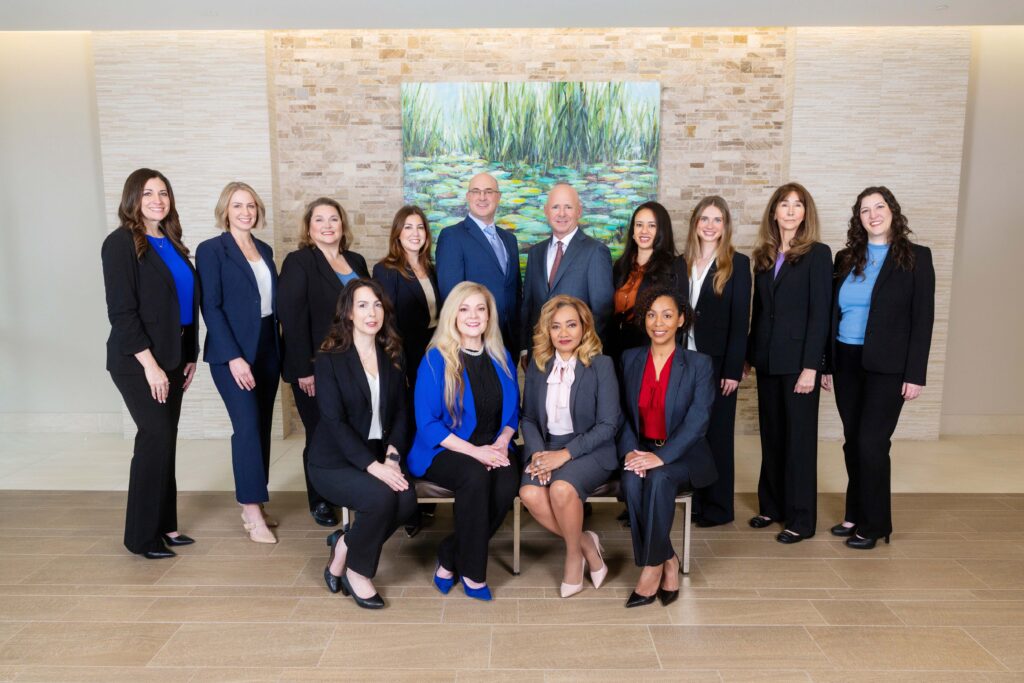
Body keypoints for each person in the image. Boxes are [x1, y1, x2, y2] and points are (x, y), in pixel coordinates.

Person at [822, 186, 935, 549]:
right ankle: (855, 512)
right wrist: (826, 363)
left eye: (879, 207)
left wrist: (915, 374)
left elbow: (923, 320)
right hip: (846, 360)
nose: (873, 214)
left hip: (888, 365)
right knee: (853, 442)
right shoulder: (844, 258)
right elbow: (831, 314)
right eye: (865, 210)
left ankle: (876, 524)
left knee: (872, 443)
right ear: (859, 218)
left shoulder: (916, 257)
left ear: (892, 211)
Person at [101, 168, 199, 559]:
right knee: (154, 438)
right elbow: (121, 313)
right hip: (137, 360)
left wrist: (190, 355)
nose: (157, 200)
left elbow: (184, 305)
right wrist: (151, 365)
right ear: (132, 199)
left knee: (165, 440)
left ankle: (166, 525)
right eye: (147, 194)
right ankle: (141, 537)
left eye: (163, 193)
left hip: (174, 358)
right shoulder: (119, 244)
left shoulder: (171, 242)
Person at [407, 282, 520, 601]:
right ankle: (473, 573)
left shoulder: (501, 355)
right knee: (475, 475)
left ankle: (449, 553)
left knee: (508, 481)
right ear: (452, 315)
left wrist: (502, 442)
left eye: (480, 309)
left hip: (494, 447)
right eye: (464, 308)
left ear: (489, 316)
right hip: (446, 449)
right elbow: (427, 425)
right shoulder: (435, 359)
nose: (473, 316)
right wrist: (476, 452)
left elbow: (514, 411)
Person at [310, 279, 417, 608]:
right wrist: (375, 468)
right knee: (381, 498)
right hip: (333, 460)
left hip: (379, 456)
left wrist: (393, 459)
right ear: (349, 313)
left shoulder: (392, 354)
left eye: (377, 304)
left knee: (408, 501)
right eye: (362, 305)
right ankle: (358, 571)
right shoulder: (330, 358)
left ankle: (344, 546)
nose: (372, 312)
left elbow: (402, 413)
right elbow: (334, 422)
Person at [619, 287, 716, 607]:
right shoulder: (630, 359)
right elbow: (623, 415)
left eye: (667, 315)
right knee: (632, 479)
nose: (657, 322)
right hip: (641, 448)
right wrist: (633, 452)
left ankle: (650, 569)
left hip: (683, 455)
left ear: (681, 320)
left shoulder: (699, 364)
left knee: (659, 478)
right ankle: (667, 559)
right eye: (650, 314)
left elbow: (697, 422)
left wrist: (660, 457)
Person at [746, 182, 832, 544]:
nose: (792, 210)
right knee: (773, 436)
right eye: (785, 204)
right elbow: (760, 312)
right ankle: (773, 506)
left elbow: (820, 314)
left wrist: (813, 366)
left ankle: (802, 518)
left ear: (805, 213)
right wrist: (749, 356)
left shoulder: (818, 254)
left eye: (798, 205)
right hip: (767, 360)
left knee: (799, 442)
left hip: (799, 364)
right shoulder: (764, 255)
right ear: (775, 212)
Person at [196, 182, 281, 544]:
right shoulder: (212, 250)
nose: (245, 211)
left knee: (261, 426)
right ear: (225, 211)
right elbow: (210, 307)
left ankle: (257, 497)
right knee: (246, 426)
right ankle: (249, 508)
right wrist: (234, 357)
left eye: (250, 205)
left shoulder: (264, 249)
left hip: (267, 345)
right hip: (232, 351)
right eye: (237, 206)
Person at [518, 296, 619, 598]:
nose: (564, 333)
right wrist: (538, 452)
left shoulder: (602, 365)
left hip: (589, 449)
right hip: (546, 447)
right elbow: (529, 417)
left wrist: (563, 456)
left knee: (561, 489)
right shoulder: (538, 365)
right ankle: (587, 543)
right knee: (529, 493)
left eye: (571, 325)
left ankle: (573, 557)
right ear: (547, 331)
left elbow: (608, 425)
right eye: (556, 326)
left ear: (584, 327)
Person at [278, 197, 370, 528]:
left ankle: (350, 491)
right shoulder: (300, 261)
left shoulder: (356, 261)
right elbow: (291, 317)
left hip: (355, 364)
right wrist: (304, 368)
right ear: (308, 227)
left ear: (343, 225)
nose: (328, 225)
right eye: (320, 220)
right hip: (316, 367)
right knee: (320, 433)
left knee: (350, 429)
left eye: (334, 219)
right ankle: (320, 499)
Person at [682, 196, 752, 527]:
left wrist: (733, 368)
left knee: (717, 435)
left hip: (718, 362)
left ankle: (719, 507)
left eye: (717, 220)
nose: (710, 226)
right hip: (684, 361)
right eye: (704, 219)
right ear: (695, 223)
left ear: (725, 227)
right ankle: (692, 502)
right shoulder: (682, 262)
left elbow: (741, 322)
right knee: (689, 434)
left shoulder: (737, 264)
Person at [521, 183, 614, 359]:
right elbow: (529, 305)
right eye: (556, 207)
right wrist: (526, 349)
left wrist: (586, 353)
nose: (561, 213)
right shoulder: (535, 252)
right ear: (546, 211)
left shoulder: (595, 251)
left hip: (579, 357)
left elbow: (602, 311)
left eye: (568, 207)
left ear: (579, 211)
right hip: (540, 356)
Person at [435, 173, 522, 356]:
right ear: (468, 197)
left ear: (498, 197)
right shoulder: (452, 236)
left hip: (509, 342)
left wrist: (522, 344)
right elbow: (451, 297)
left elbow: (515, 294)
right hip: (473, 342)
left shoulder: (510, 240)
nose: (482, 197)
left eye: (488, 191)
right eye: (476, 191)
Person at [372, 205, 440, 390]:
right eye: (408, 227)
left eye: (420, 227)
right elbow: (386, 323)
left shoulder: (432, 269)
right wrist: (398, 365)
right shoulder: (386, 270)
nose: (415, 233)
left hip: (435, 349)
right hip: (406, 355)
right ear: (397, 234)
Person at [611, 201, 686, 360]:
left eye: (652, 226)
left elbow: (678, 318)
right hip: (614, 348)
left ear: (662, 231)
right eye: (639, 225)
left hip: (648, 351)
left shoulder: (673, 268)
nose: (644, 231)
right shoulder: (620, 266)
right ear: (633, 231)